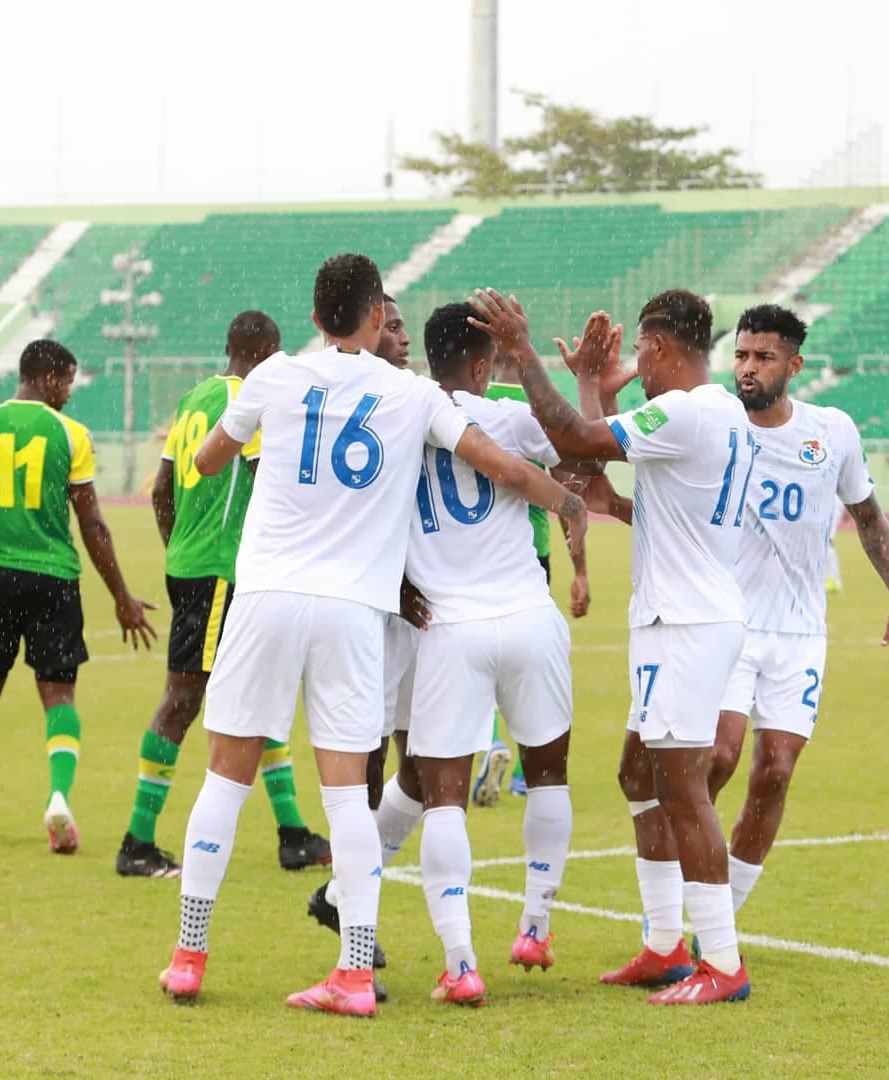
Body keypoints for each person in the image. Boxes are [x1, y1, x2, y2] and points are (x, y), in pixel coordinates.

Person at [157, 254, 586, 1018]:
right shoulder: (411, 392)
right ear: (370, 315)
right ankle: (353, 973)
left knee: (226, 777)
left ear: (317, 315)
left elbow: (205, 458)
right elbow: (502, 466)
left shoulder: (277, 377)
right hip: (352, 610)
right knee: (347, 799)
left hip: (268, 596)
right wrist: (565, 501)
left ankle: (189, 955)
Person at [469, 287, 755, 1005]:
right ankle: (664, 945)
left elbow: (576, 441)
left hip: (685, 624)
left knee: (682, 789)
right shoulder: (718, 411)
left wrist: (526, 353)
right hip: (685, 615)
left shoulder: (687, 411)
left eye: (643, 359)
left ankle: (721, 962)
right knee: (638, 774)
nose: (642, 371)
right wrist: (593, 387)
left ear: (659, 350)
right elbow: (608, 461)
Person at [395, 301, 582, 1005]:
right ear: (484, 363)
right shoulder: (505, 415)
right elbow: (577, 441)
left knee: (444, 799)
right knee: (550, 775)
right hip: (530, 617)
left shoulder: (402, 418)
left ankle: (461, 963)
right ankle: (535, 925)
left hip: (450, 627)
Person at [0, 340, 157, 852]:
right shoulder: (71, 434)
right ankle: (58, 797)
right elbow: (92, 524)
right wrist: (121, 595)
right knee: (59, 697)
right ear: (45, 378)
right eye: (66, 381)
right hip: (54, 579)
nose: (68, 391)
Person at [703, 305, 889, 921]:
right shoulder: (712, 423)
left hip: (800, 634)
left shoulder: (834, 432)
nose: (747, 368)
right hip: (728, 625)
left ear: (793, 365)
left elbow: (869, 516)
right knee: (717, 756)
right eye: (741, 355)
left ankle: (721, 923)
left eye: (763, 357)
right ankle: (669, 903)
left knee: (776, 769)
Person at [116, 311, 330, 879]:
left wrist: (179, 546)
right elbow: (271, 485)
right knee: (182, 701)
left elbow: (162, 490)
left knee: (260, 694)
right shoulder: (254, 398)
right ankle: (136, 842)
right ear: (267, 351)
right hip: (222, 570)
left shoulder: (194, 400)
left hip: (196, 564)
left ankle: (292, 834)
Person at [304, 291, 415, 1002]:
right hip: (365, 611)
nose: (401, 335)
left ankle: (344, 894)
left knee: (434, 764)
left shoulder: (412, 400)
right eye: (392, 324)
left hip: (419, 616)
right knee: (366, 760)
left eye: (406, 325)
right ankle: (355, 920)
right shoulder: (322, 400)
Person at [470, 346, 590, 804]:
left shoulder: (462, 402)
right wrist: (580, 571)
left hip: (473, 554)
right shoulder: (533, 409)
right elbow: (567, 492)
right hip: (530, 552)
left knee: (475, 656)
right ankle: (526, 770)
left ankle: (490, 741)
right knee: (527, 665)